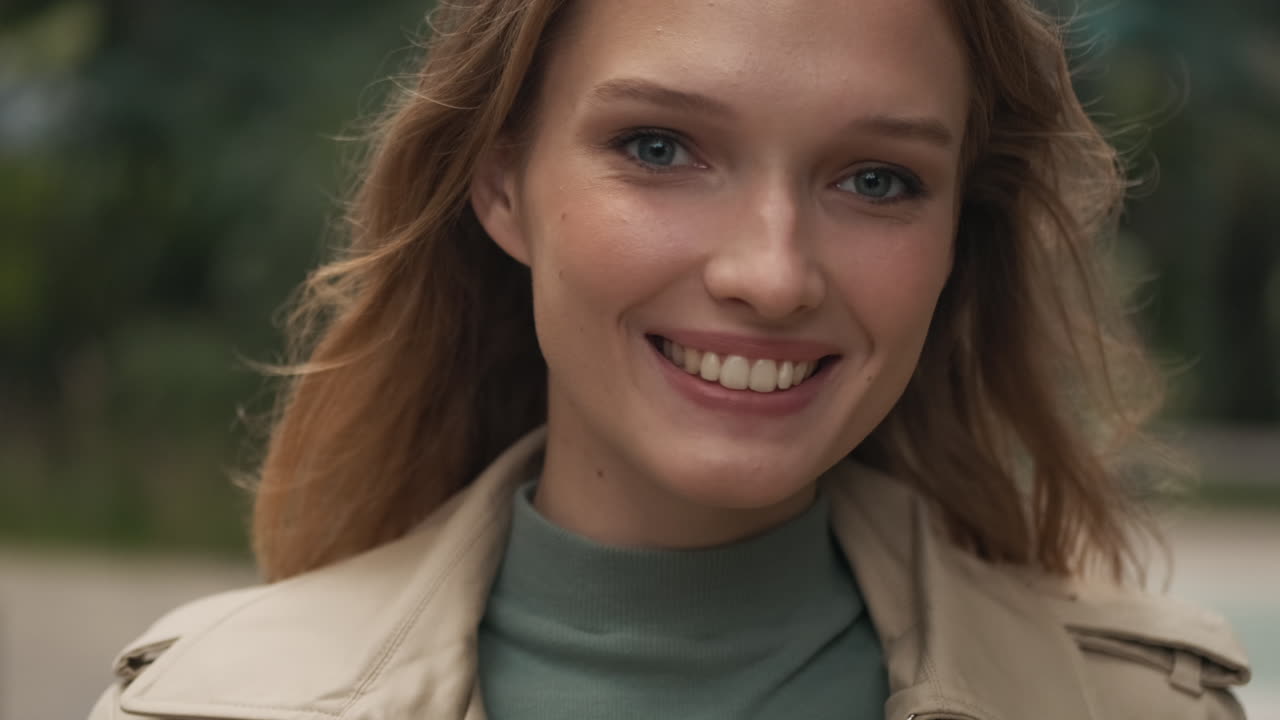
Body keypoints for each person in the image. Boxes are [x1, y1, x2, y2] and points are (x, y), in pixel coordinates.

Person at [90, 1, 1253, 718]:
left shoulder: (1137, 710)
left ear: (959, 232)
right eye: (659, 148)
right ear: (502, 184)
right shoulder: (206, 707)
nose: (772, 271)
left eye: (876, 180)